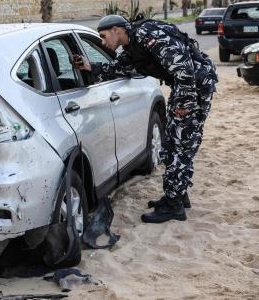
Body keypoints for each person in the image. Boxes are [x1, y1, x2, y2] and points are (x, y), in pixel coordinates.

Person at [73, 14, 217, 224]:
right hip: (184, 88)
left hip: (195, 87)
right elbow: (116, 69)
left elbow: (183, 68)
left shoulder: (146, 35)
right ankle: (178, 195)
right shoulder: (133, 48)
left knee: (181, 144)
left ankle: (174, 205)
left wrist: (184, 105)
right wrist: (89, 67)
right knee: (171, 143)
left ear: (117, 30)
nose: (103, 42)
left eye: (104, 36)